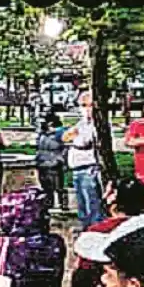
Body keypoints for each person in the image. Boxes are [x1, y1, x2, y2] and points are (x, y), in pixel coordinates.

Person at [63, 92, 104, 229]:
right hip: (77, 168)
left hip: (89, 168)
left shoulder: (95, 124)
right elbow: (64, 137)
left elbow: (83, 141)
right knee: (82, 208)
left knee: (92, 205)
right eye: (83, 105)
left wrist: (74, 137)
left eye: (89, 105)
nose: (86, 109)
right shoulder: (81, 123)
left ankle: (95, 231)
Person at [35, 112, 68, 211]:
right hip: (42, 163)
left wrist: (62, 161)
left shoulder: (60, 133)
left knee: (58, 186)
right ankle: (48, 204)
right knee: (46, 187)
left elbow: (65, 149)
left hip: (54, 163)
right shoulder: (42, 134)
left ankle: (63, 204)